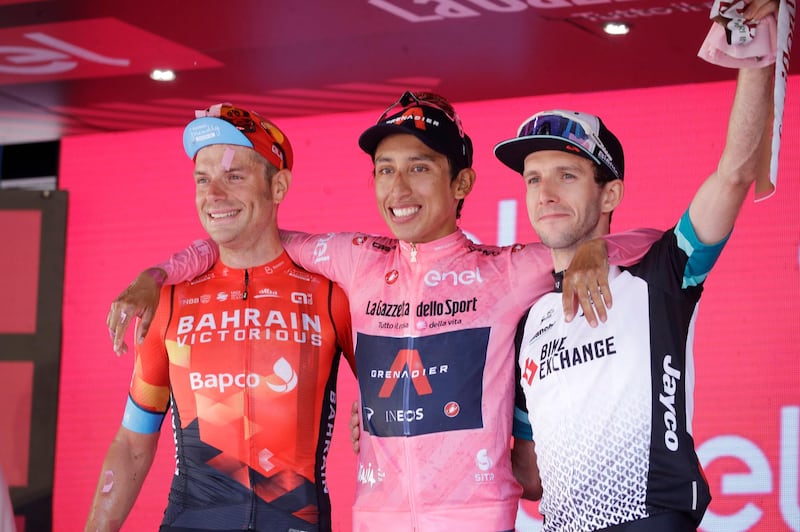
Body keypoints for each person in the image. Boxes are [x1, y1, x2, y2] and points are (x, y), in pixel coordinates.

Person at [106, 92, 660, 531]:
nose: (398, 187)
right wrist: (158, 275)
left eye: (418, 168)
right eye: (383, 169)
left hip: (476, 518)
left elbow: (657, 241)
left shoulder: (506, 270)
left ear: (461, 182)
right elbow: (245, 234)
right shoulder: (353, 260)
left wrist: (595, 248)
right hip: (375, 516)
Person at [494, 20, 778, 531]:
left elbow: (734, 174)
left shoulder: (660, 271)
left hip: (648, 516)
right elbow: (529, 475)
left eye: (567, 174)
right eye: (534, 178)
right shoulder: (527, 318)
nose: (545, 193)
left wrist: (753, 41)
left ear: (610, 195)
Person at [85, 104, 355, 532]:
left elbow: (393, 398)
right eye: (202, 179)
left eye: (234, 176)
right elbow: (134, 442)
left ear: (278, 186)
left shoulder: (328, 293)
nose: (214, 195)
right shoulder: (170, 299)